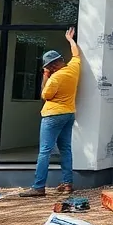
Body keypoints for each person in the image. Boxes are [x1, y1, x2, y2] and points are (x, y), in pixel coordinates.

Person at [18, 27, 80, 197]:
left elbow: (44, 95)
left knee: (45, 151)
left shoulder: (55, 78)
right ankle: (67, 184)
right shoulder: (73, 69)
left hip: (53, 115)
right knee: (66, 149)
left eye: (48, 67)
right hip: (69, 114)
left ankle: (38, 187)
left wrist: (45, 75)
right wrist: (70, 40)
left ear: (51, 66)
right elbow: (76, 54)